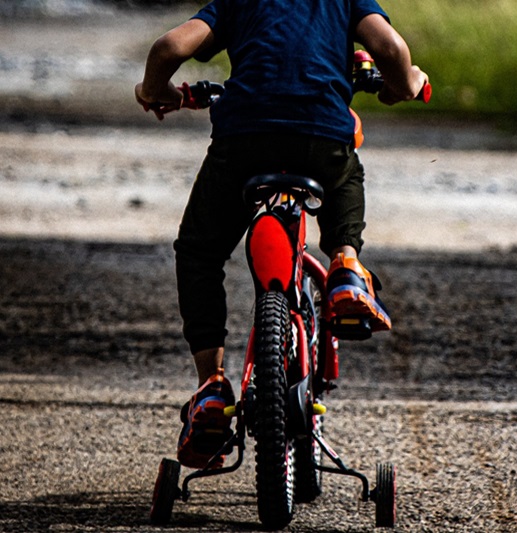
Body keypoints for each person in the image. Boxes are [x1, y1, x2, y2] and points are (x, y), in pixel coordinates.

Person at [134, 0, 428, 469]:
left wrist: (156, 91)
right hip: (321, 138)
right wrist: (406, 83)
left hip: (243, 142)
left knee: (199, 252)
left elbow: (170, 46)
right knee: (345, 170)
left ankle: (211, 386)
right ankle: (346, 265)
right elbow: (389, 47)